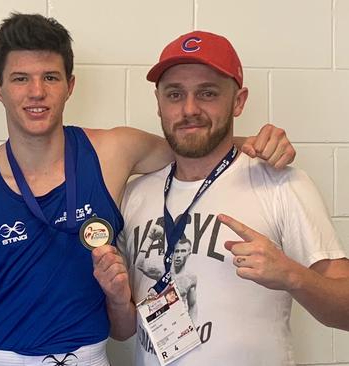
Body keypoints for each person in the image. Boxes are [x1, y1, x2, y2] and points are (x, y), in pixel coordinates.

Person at [0, 14, 295, 365]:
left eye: (50, 77)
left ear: (70, 85)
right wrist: (6, 286)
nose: (37, 92)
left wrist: (263, 143)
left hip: (88, 355)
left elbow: (193, 142)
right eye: (20, 79)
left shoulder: (113, 152)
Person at [117, 30, 349, 366]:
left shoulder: (280, 182)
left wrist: (292, 275)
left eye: (207, 93)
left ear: (238, 101)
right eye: (174, 94)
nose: (189, 109)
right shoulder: (136, 194)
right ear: (159, 103)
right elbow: (123, 327)